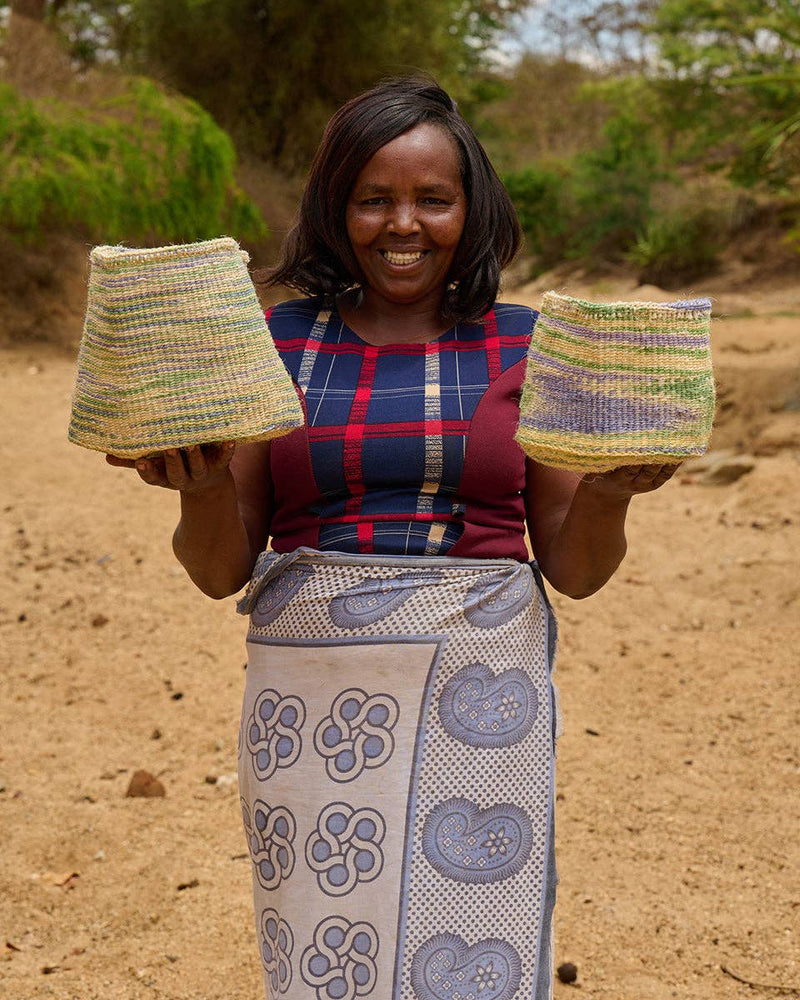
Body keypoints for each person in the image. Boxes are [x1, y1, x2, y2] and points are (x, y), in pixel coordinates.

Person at [107, 77, 678, 1000]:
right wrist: (202, 485)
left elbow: (572, 569)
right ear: (337, 209)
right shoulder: (274, 344)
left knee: (469, 944)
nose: (401, 224)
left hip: (480, 700)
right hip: (314, 711)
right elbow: (219, 571)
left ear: (472, 208)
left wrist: (611, 492)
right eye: (373, 198)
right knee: (325, 942)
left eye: (432, 199)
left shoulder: (532, 347)